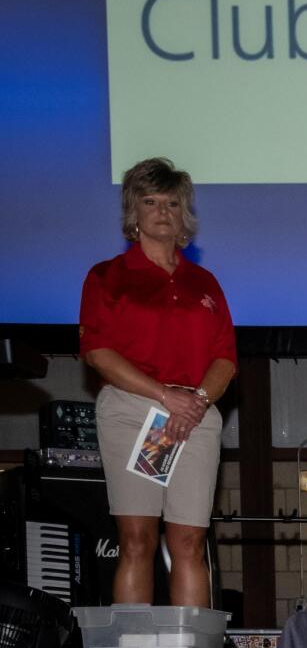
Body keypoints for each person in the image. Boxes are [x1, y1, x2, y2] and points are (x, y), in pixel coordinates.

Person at [79, 158, 237, 607]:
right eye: (150, 201)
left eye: (171, 202)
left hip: (196, 415)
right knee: (137, 541)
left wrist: (197, 401)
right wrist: (164, 396)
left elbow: (225, 357)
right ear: (134, 211)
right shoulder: (108, 277)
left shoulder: (204, 282)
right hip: (134, 411)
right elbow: (98, 353)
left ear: (184, 212)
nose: (161, 211)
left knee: (189, 542)